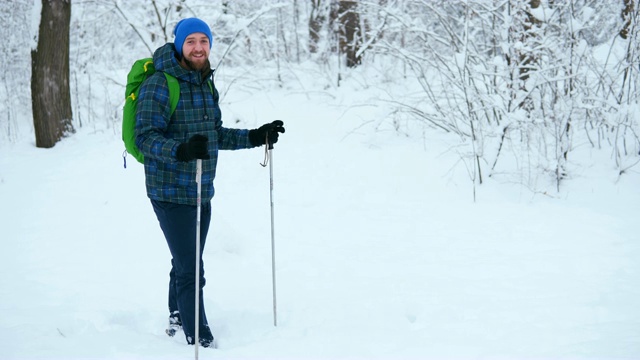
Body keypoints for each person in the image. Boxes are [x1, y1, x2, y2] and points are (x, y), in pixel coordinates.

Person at [135, 17, 285, 347]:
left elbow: (214, 135)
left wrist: (254, 136)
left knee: (186, 258)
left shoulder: (204, 82)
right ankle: (199, 336)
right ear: (179, 45)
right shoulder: (160, 84)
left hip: (201, 188)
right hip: (170, 190)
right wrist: (181, 150)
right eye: (191, 41)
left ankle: (177, 314)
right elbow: (144, 138)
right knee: (191, 269)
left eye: (204, 41)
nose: (198, 47)